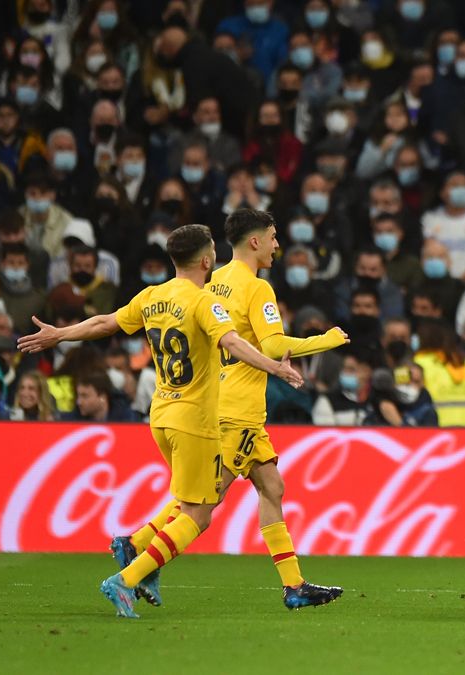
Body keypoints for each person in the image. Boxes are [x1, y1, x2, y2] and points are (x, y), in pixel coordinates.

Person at [17, 224, 303, 619]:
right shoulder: (204, 302)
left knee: (187, 503)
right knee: (197, 514)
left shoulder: (153, 296)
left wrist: (59, 335)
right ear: (207, 260)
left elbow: (104, 323)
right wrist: (275, 366)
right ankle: (127, 578)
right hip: (195, 421)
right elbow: (234, 343)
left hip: (160, 416)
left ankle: (139, 557)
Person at [112, 209, 347, 609]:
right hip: (236, 411)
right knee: (202, 504)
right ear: (254, 241)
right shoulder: (257, 288)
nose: (277, 245)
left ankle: (294, 586)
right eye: (273, 237)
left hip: (225, 405)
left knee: (271, 486)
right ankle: (133, 551)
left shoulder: (211, 282)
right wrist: (325, 340)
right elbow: (272, 346)